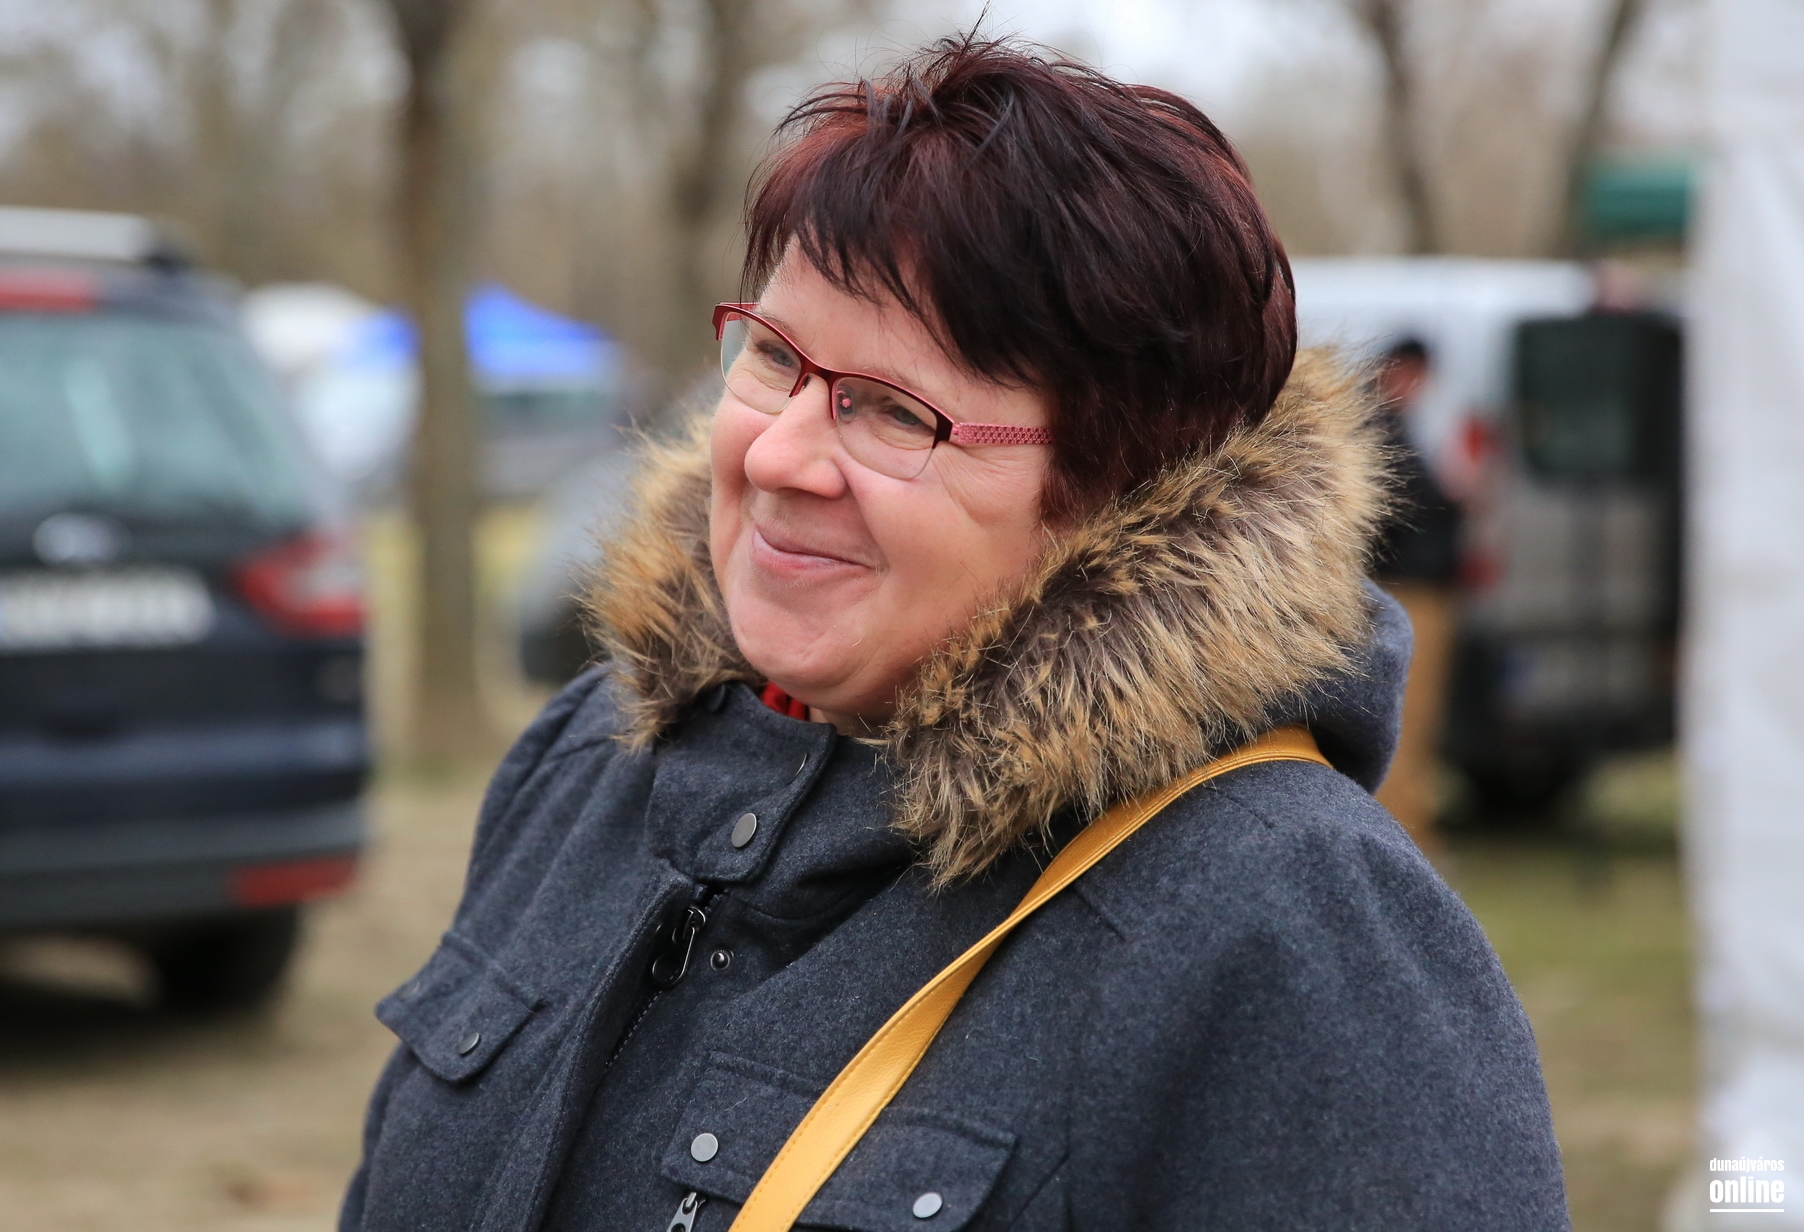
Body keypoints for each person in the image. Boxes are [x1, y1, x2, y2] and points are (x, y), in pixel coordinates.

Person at [342, 36, 1566, 1232]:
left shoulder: (1291, 931)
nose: (777, 455)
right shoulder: (589, 755)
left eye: (893, 411)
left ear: (1111, 491)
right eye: (772, 356)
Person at [1368, 338, 1465, 853]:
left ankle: (1410, 825)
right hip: (1410, 591)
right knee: (1409, 716)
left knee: (1417, 719)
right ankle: (1404, 830)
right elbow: (1401, 517)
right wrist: (1456, 498)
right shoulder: (1382, 429)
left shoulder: (1390, 426)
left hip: (1414, 589)